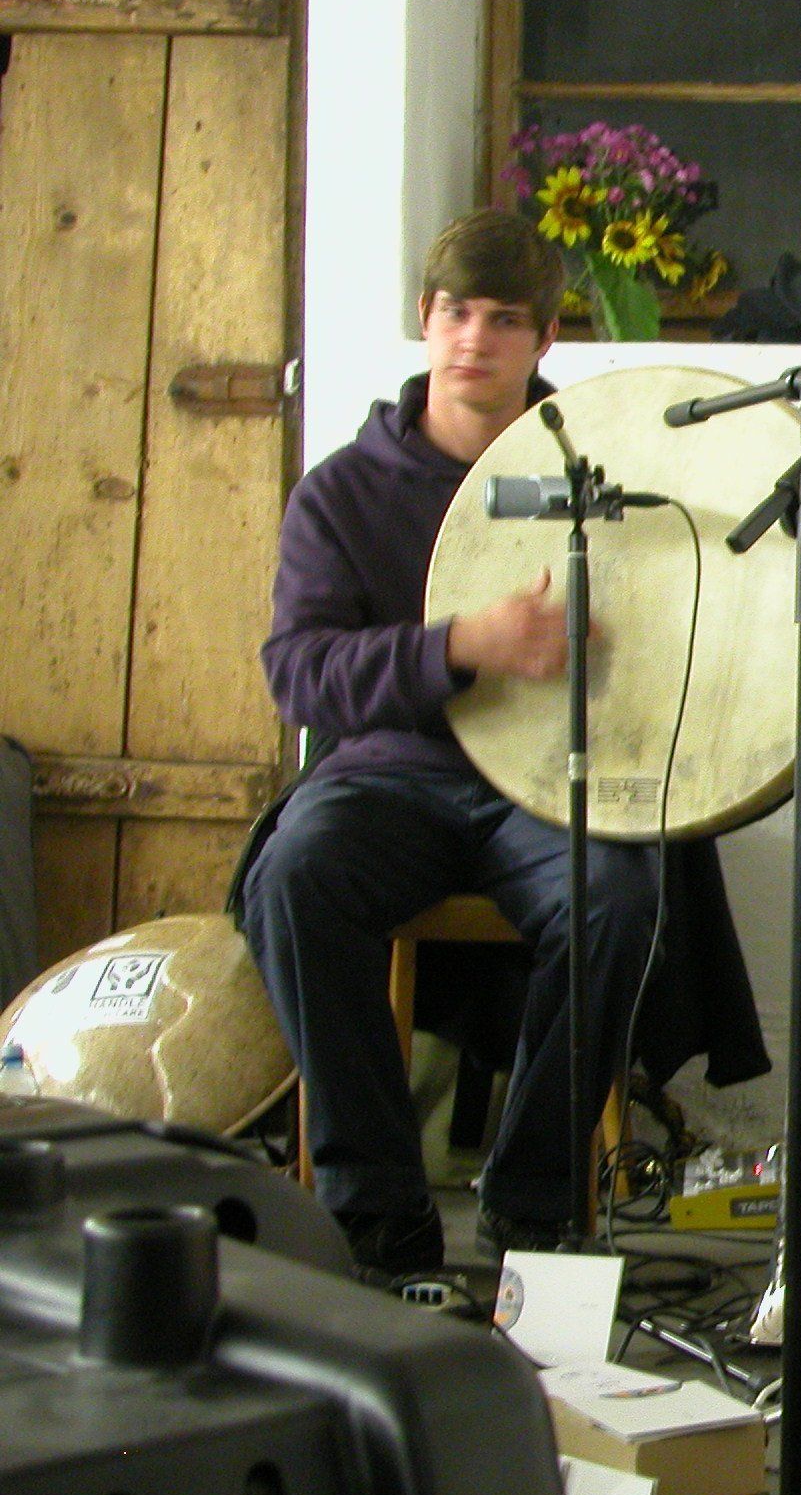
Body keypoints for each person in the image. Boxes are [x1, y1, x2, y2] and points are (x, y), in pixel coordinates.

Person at [238, 210, 761, 1275]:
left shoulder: (608, 475)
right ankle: (376, 1208)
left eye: (505, 318)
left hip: (555, 784)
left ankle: (533, 1199)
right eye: (456, 312)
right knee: (297, 876)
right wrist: (460, 646)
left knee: (617, 901)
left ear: (546, 336)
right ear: (425, 320)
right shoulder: (342, 492)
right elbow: (299, 671)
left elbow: (682, 627)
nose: (475, 337)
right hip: (393, 776)